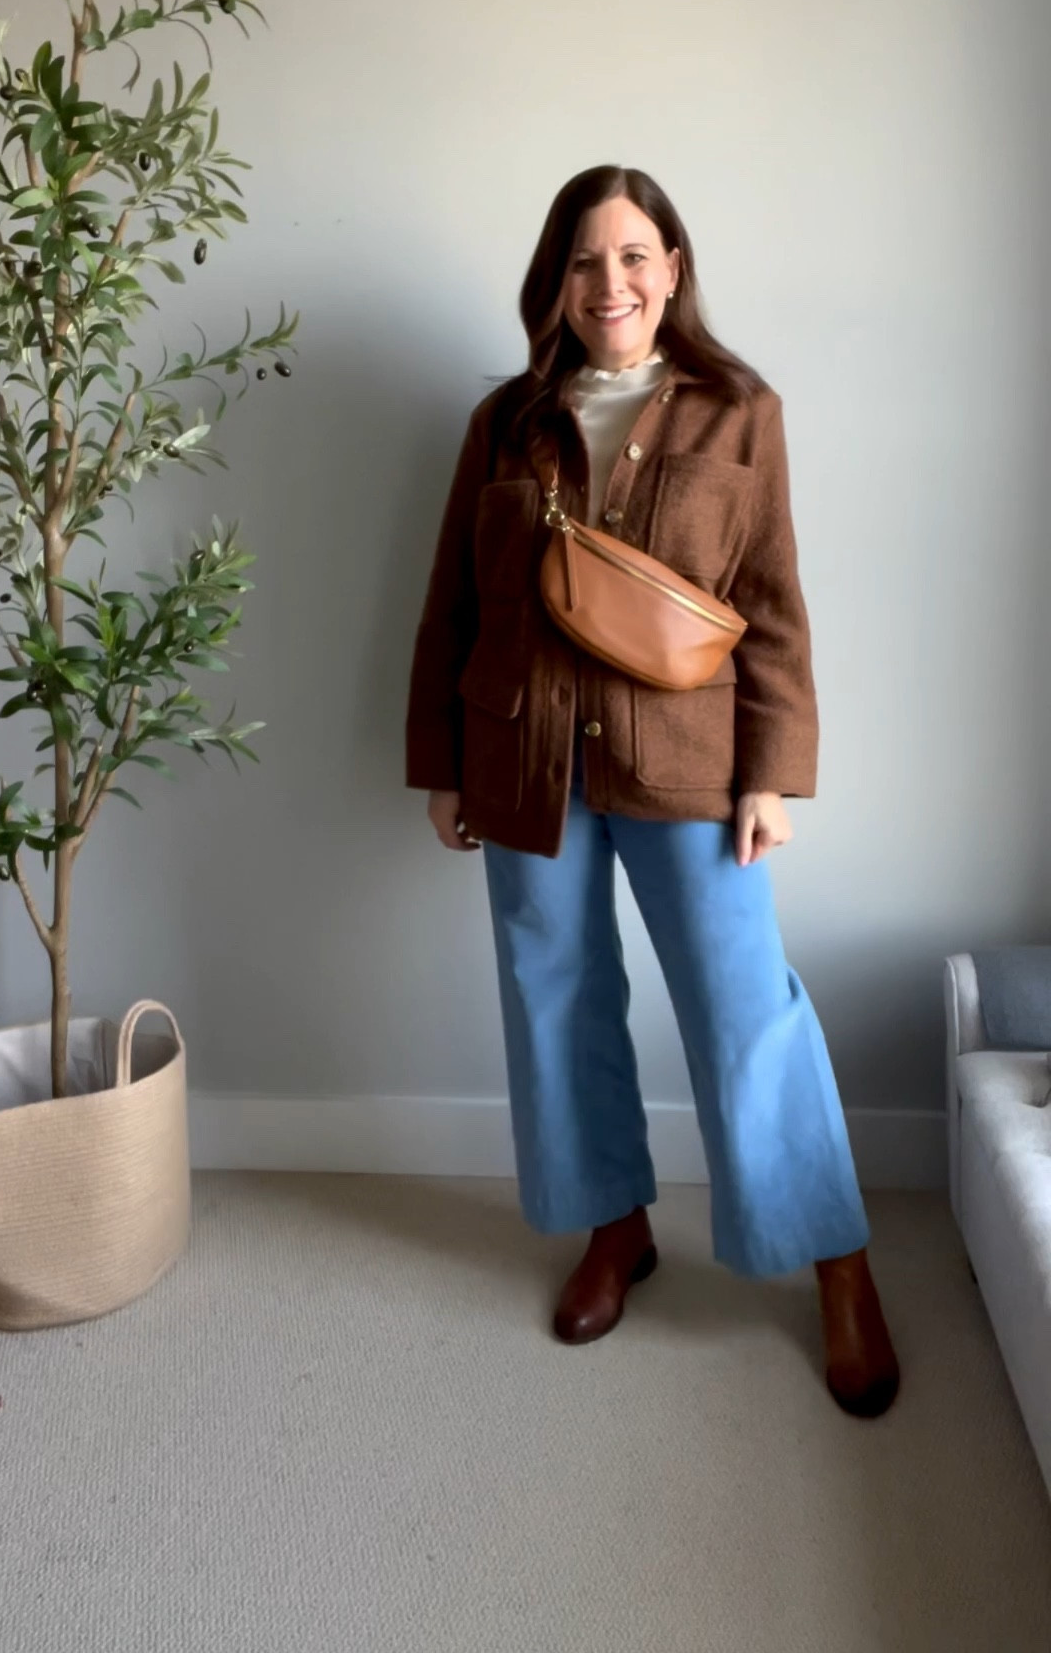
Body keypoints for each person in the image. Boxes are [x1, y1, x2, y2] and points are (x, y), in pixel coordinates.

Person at [406, 164, 900, 1419]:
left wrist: (773, 775)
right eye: (583, 261)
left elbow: (775, 610)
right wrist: (442, 765)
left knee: (747, 1011)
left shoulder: (740, 411)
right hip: (525, 763)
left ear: (672, 270)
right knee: (554, 999)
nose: (609, 282)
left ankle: (838, 1260)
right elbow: (453, 607)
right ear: (556, 284)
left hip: (688, 766)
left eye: (633, 256)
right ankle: (612, 1227)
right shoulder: (509, 422)